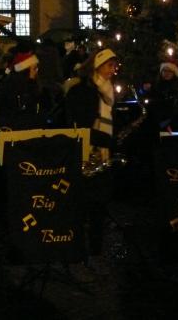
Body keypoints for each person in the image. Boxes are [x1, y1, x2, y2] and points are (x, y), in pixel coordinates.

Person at [64, 48, 119, 256]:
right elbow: (79, 126)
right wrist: (106, 140)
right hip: (87, 153)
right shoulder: (83, 90)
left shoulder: (107, 90)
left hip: (102, 155)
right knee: (83, 202)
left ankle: (96, 245)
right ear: (96, 66)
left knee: (99, 203)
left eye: (114, 66)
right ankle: (78, 245)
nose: (112, 71)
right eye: (108, 66)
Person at [148, 58, 178, 130]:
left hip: (172, 124)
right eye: (164, 70)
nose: (167, 73)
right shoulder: (155, 87)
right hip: (156, 123)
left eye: (170, 71)